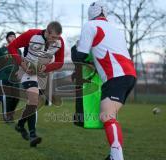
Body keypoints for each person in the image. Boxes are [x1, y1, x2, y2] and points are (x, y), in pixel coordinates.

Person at [72, 1, 136, 160]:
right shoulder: (115, 29)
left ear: (90, 14)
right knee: (108, 116)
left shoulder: (90, 25)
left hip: (115, 77)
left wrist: (76, 49)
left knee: (107, 117)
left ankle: (117, 156)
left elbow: (80, 55)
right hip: (130, 76)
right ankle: (113, 155)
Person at [8, 21, 64, 147]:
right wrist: (22, 64)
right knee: (34, 98)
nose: (55, 40)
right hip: (27, 70)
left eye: (58, 37)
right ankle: (33, 135)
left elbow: (59, 62)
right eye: (53, 37)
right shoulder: (31, 35)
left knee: (34, 102)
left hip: (42, 72)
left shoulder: (60, 42)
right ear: (47, 32)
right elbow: (11, 47)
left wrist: (45, 68)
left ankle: (20, 125)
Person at [0, 31, 21, 122]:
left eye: (14, 36)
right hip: (4, 77)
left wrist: (20, 71)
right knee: (6, 96)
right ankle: (7, 116)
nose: (13, 38)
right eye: (10, 36)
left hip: (15, 78)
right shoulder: (2, 50)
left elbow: (21, 63)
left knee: (16, 97)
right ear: (7, 39)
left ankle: (10, 113)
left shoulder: (18, 50)